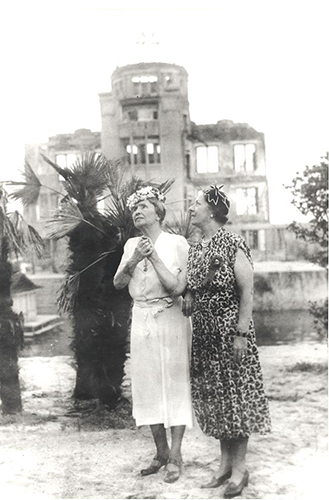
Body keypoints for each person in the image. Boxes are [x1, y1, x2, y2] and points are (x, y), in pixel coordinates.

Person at [182, 185, 271, 499]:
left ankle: (240, 468)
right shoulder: (197, 247)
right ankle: (223, 465)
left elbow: (247, 292)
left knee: (236, 397)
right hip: (204, 333)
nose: (191, 208)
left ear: (212, 210)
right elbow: (193, 283)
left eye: (196, 203)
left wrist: (241, 335)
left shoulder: (233, 242)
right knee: (217, 399)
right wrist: (190, 297)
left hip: (230, 329)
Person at [113, 186, 193, 483]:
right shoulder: (131, 243)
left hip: (170, 317)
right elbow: (119, 283)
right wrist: (133, 259)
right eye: (134, 207)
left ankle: (176, 454)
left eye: (143, 206)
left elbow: (177, 288)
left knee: (174, 383)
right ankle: (160, 451)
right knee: (147, 384)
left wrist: (154, 258)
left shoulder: (177, 243)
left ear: (158, 212)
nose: (137, 210)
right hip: (142, 317)